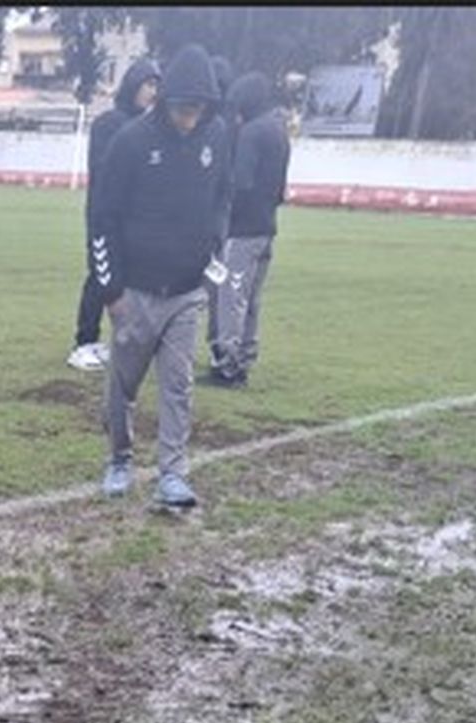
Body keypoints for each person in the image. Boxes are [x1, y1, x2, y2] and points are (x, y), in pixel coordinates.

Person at [89, 42, 231, 512]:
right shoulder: (131, 142)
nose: (189, 118)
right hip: (135, 290)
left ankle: (173, 473)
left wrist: (214, 244)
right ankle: (119, 458)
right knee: (123, 385)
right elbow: (103, 217)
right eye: (182, 108)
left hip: (187, 291)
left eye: (197, 109)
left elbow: (222, 197)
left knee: (178, 384)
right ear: (167, 101)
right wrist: (111, 289)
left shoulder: (217, 137)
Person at [67, 57, 160, 372]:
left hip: (136, 218)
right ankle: (83, 342)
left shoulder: (149, 127)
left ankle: (124, 340)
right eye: (148, 84)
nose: (152, 92)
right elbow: (105, 171)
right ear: (133, 85)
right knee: (100, 275)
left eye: (156, 86)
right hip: (105, 214)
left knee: (130, 279)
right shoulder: (108, 124)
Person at [208, 74, 290, 387]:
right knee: (251, 298)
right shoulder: (279, 131)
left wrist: (226, 218)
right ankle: (245, 355)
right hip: (266, 227)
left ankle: (228, 365)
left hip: (243, 229)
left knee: (231, 296)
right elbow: (280, 188)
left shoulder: (251, 133)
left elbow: (240, 182)